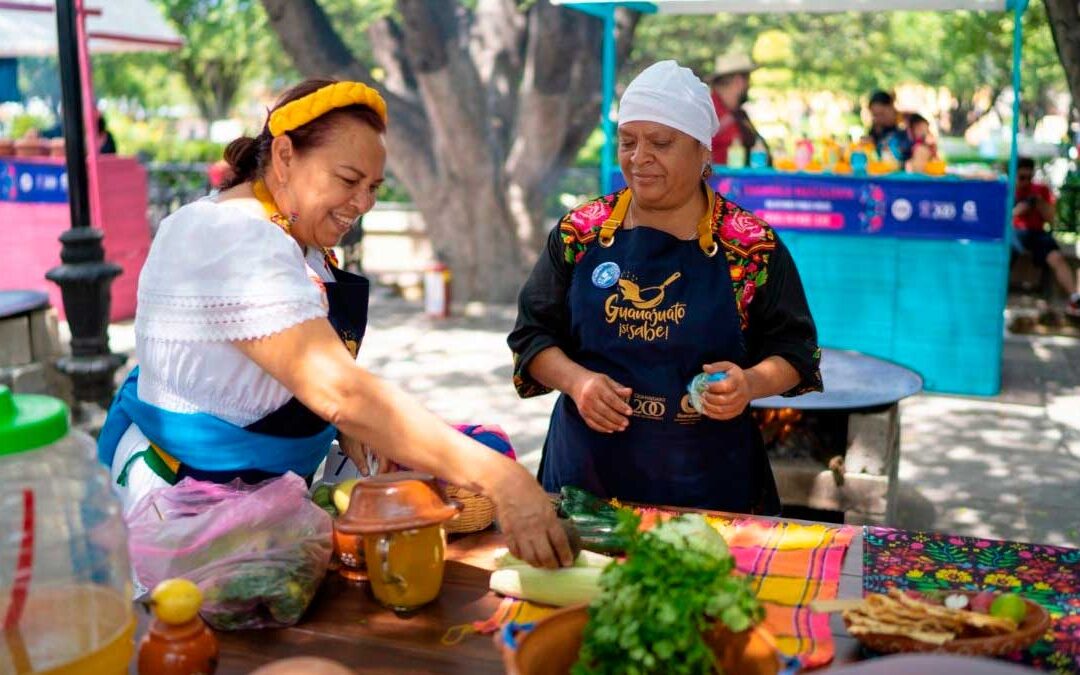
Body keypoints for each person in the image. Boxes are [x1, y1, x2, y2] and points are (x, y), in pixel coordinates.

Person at [97, 78, 572, 569]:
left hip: (263, 504)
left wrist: (347, 428)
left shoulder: (293, 236)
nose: (362, 203)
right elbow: (340, 391)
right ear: (284, 156)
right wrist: (501, 479)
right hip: (191, 510)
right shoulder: (227, 238)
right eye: (348, 180)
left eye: (372, 187)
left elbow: (305, 385)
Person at [509, 61, 822, 514]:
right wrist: (577, 382)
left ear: (703, 152)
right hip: (587, 479)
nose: (639, 158)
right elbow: (531, 336)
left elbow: (797, 351)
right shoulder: (581, 233)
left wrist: (748, 383)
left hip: (708, 484)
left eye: (660, 143)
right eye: (628, 141)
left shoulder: (750, 246)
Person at [1012, 157, 1080, 316]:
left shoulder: (1039, 190)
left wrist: (1040, 204)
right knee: (1007, 252)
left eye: (1029, 177)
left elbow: (1052, 219)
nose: (1026, 182)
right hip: (1015, 232)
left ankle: (1074, 297)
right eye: (1022, 178)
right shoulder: (1008, 190)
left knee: (1056, 257)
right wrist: (1018, 210)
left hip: (1037, 234)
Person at [708, 52, 768, 166]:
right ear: (738, 81)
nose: (749, 86)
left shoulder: (737, 113)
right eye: (748, 80)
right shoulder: (709, 110)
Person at [865, 90, 900, 159]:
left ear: (891, 108)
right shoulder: (876, 129)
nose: (878, 119)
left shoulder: (905, 128)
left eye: (882, 114)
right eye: (875, 115)